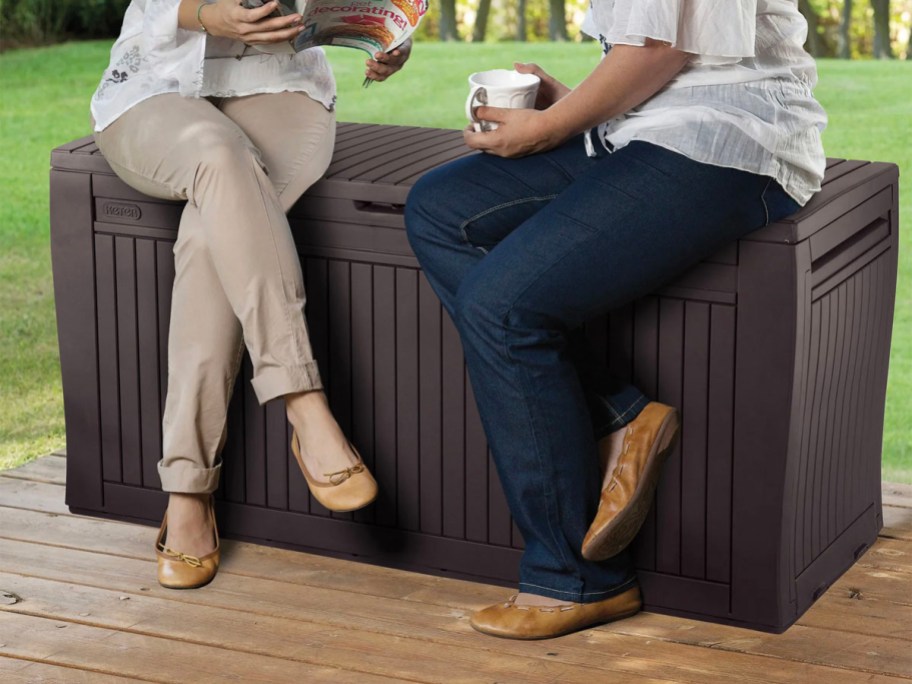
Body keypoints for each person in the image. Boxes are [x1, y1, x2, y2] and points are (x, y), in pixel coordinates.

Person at [405, 0, 826, 639]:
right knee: (441, 208)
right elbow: (669, 47)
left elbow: (663, 49)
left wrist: (548, 128)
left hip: (730, 142)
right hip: (650, 128)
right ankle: (617, 412)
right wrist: (575, 103)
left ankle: (577, 579)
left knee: (503, 307)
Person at [90, 0, 410, 589]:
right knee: (218, 155)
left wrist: (384, 34)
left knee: (211, 241)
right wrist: (206, 15)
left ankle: (187, 488)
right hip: (156, 86)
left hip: (282, 88)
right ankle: (302, 400)